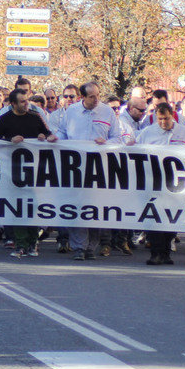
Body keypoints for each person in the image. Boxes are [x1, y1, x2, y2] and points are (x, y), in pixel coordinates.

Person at [57, 81, 122, 260]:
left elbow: (117, 137)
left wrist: (106, 143)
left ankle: (91, 247)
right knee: (77, 206)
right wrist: (56, 140)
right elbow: (63, 133)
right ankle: (79, 246)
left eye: (98, 95)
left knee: (95, 209)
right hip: (75, 167)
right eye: (91, 96)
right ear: (82, 97)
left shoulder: (107, 112)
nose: (96, 100)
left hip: (99, 167)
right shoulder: (71, 112)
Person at [0, 88, 57, 257]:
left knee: (33, 207)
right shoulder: (5, 119)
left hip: (34, 171)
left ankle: (32, 242)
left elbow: (48, 135)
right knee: (19, 208)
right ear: (13, 104)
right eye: (22, 101)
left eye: (27, 100)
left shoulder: (35, 117)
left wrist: (45, 137)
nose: (26, 104)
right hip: (13, 171)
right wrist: (9, 141)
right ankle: (20, 244)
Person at [136, 103, 185, 265]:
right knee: (154, 218)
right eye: (160, 119)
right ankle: (156, 253)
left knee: (171, 219)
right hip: (154, 183)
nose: (163, 122)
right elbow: (136, 151)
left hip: (175, 183)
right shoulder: (147, 133)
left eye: (166, 118)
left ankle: (166, 253)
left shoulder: (183, 132)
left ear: (172, 115)